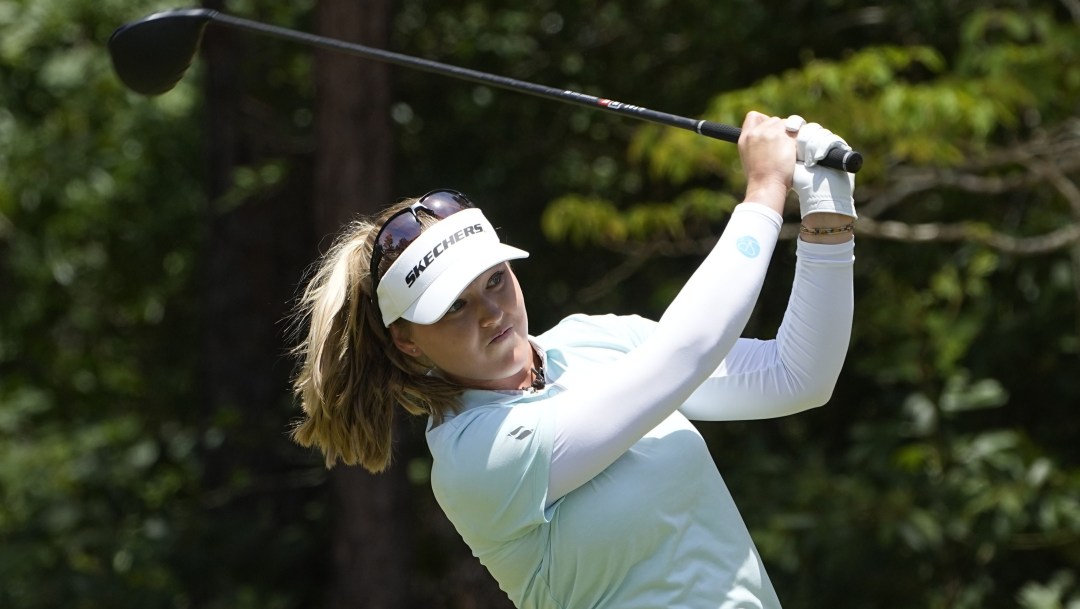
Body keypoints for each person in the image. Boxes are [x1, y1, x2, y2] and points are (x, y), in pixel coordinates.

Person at [289, 111, 857, 609]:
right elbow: (685, 353)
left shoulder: (593, 341)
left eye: (495, 280)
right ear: (406, 343)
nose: (490, 313)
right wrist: (763, 192)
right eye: (453, 308)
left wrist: (827, 209)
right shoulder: (476, 457)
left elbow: (796, 376)